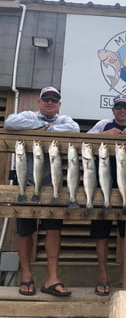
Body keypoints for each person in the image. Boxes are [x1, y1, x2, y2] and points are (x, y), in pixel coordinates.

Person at [4, 86, 80, 297]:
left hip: (53, 187)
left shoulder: (64, 120)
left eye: (54, 99)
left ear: (59, 104)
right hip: (25, 185)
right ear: (39, 101)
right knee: (25, 231)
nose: (49, 102)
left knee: (53, 230)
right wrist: (41, 125)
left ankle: (52, 278)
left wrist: (46, 129)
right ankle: (26, 276)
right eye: (45, 98)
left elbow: (74, 129)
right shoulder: (29, 115)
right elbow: (10, 122)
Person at [87, 94, 126, 296]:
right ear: (113, 110)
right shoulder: (103, 125)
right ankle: (103, 276)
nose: (122, 110)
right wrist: (103, 136)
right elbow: (83, 140)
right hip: (101, 188)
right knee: (101, 234)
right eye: (118, 107)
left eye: (125, 107)